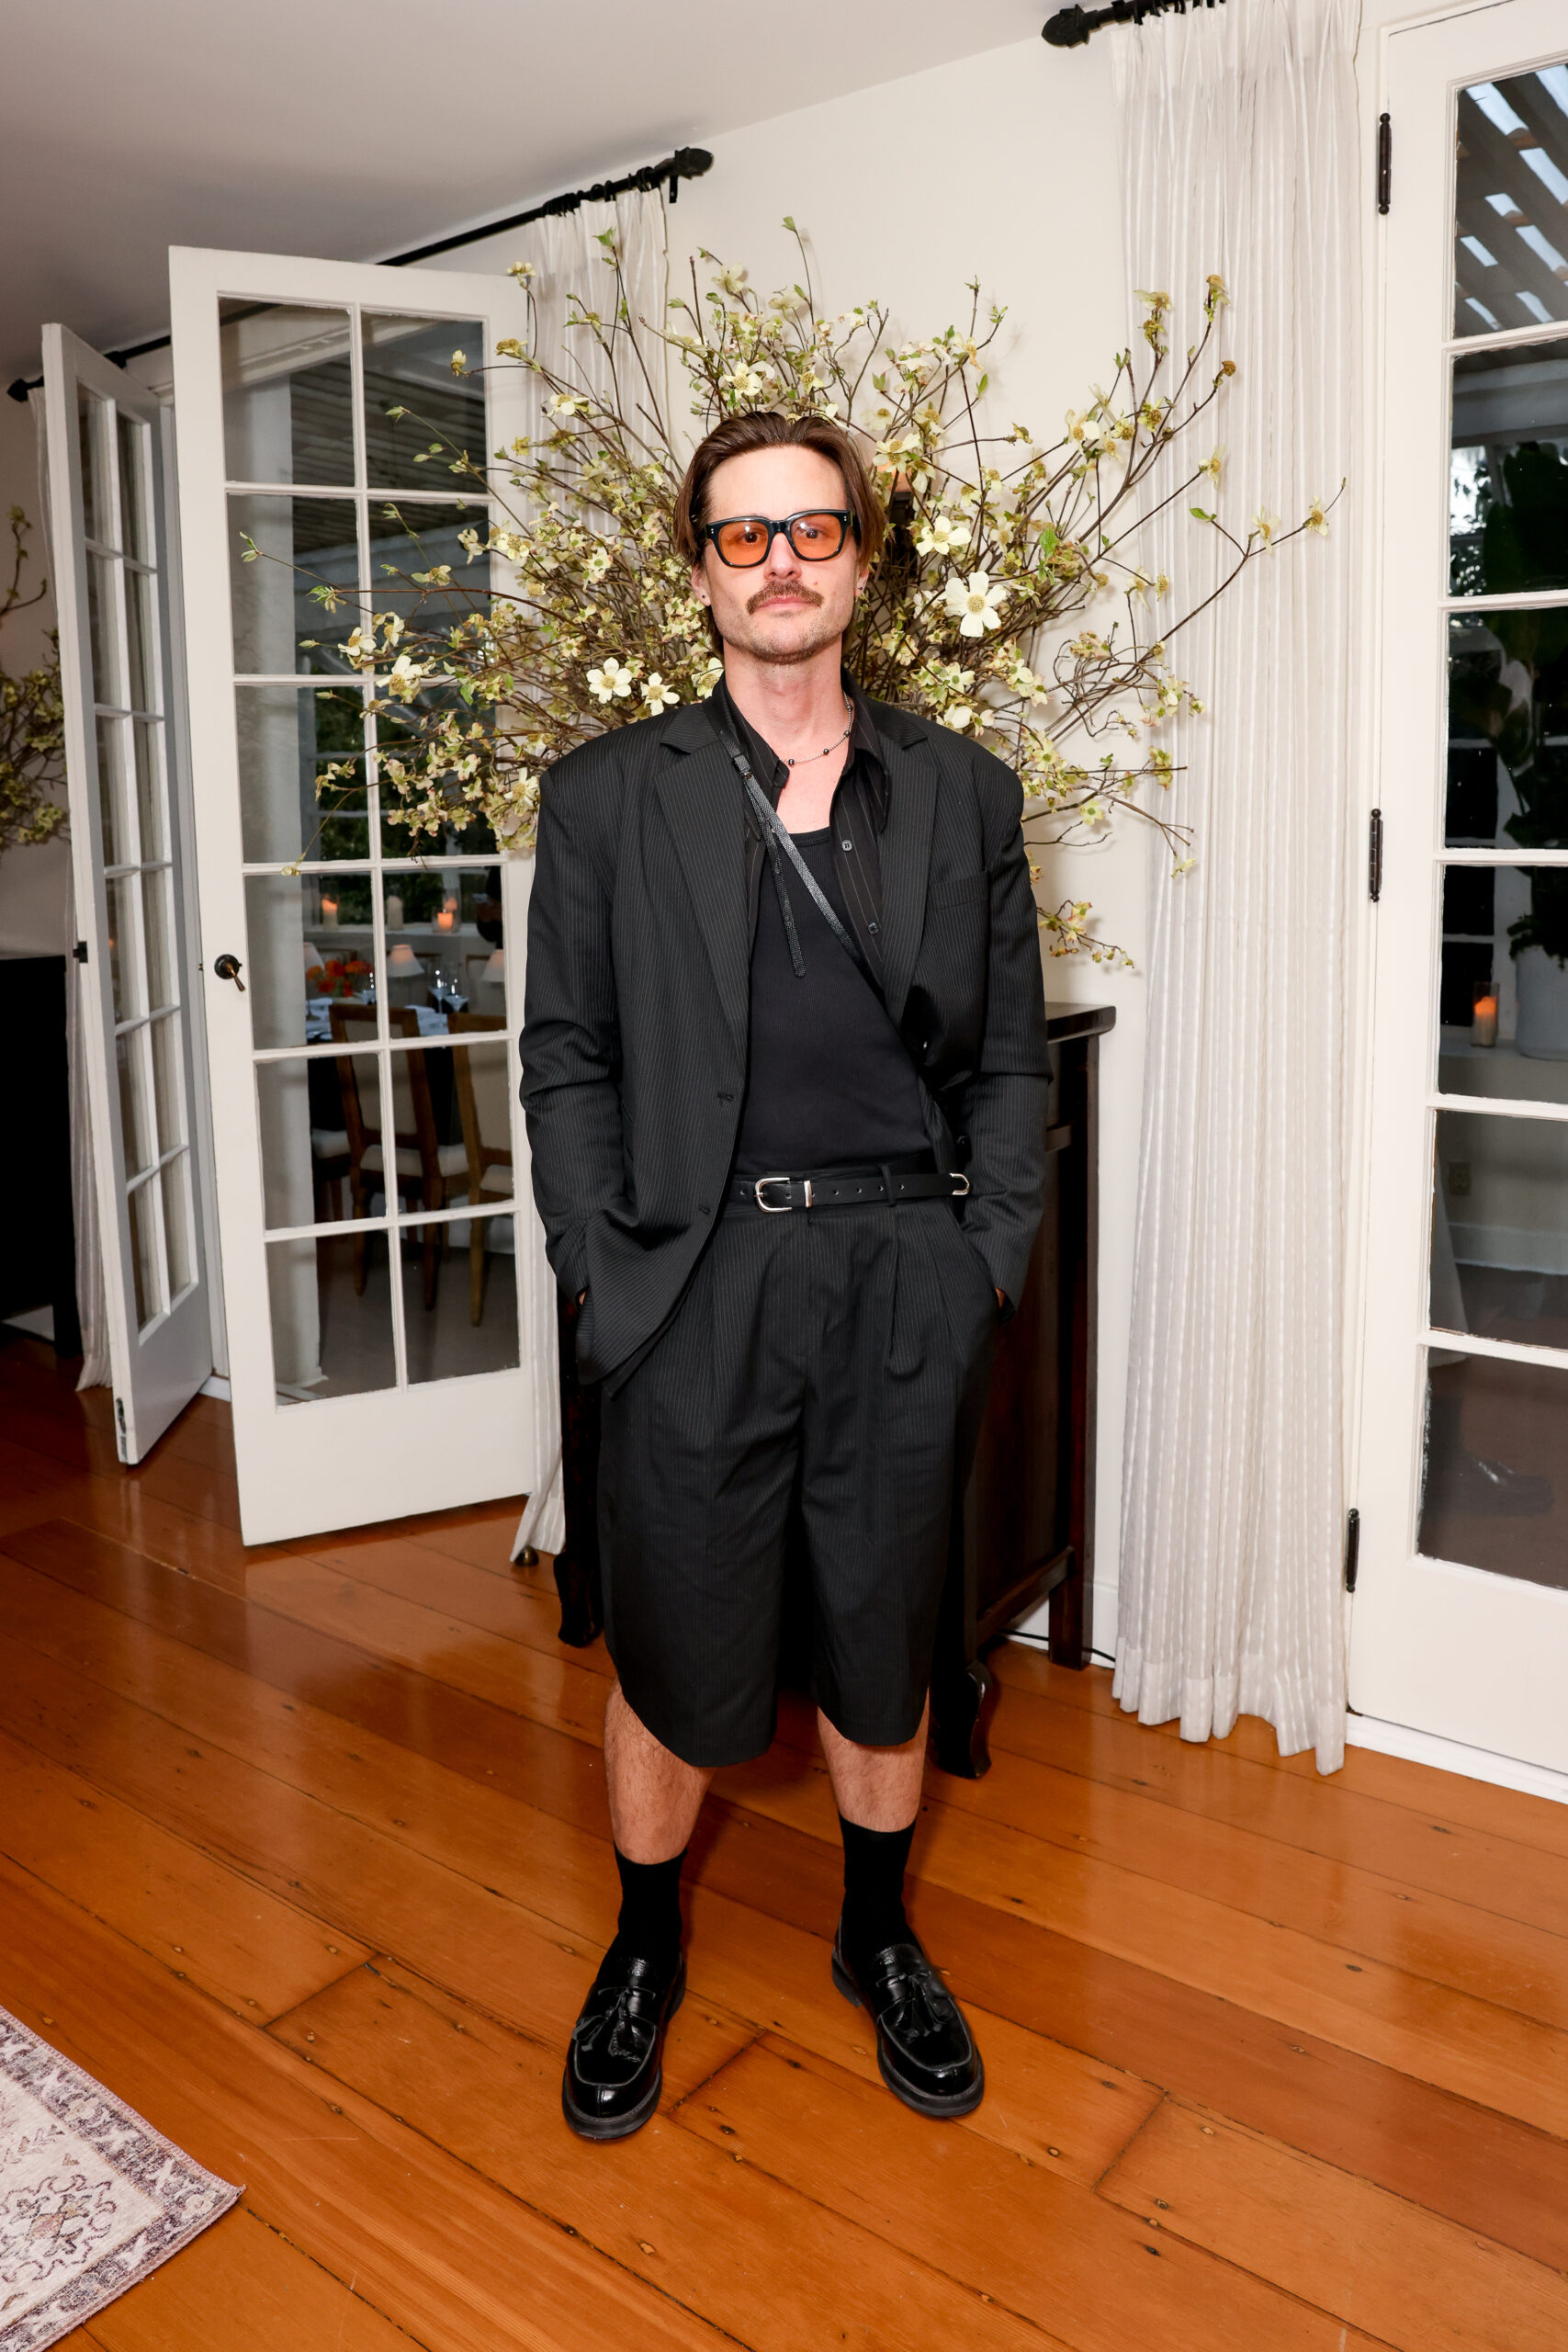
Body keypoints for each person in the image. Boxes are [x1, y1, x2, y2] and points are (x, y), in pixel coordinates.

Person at [520, 410, 1050, 2140]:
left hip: (906, 1271)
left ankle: (876, 1935)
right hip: (695, 1281)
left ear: (861, 559)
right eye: (742, 535)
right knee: (673, 1650)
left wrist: (984, 1263)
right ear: (700, 572)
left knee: (886, 1640)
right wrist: (601, 1269)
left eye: (812, 529)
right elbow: (566, 1055)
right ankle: (643, 1948)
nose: (779, 564)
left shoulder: (964, 791)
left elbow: (1012, 1061)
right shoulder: (609, 796)